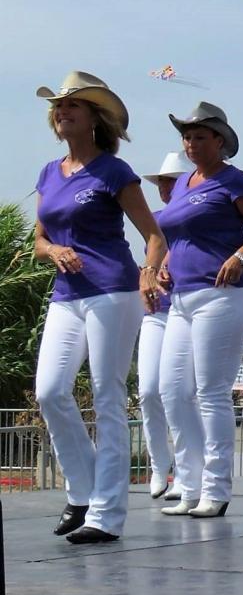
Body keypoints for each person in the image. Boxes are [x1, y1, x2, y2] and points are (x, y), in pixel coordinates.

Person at [33, 71, 167, 543]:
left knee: (108, 396)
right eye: (58, 107)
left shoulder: (114, 171)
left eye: (73, 105)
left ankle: (106, 515)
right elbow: (39, 239)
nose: (62, 111)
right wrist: (53, 252)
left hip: (111, 289)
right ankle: (83, 491)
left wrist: (149, 272)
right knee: (50, 391)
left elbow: (154, 235)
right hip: (66, 294)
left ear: (95, 118)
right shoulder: (50, 172)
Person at [156, 102, 243, 519]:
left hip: (223, 294)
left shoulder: (236, 181)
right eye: (187, 137)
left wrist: (241, 257)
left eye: (200, 136)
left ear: (220, 141)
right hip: (181, 298)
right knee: (172, 392)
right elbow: (177, 238)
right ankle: (187, 485)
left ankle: (216, 487)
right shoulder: (181, 185)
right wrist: (163, 268)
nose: (191, 144)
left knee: (210, 392)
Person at [138, 151, 193, 500]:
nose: (164, 188)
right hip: (157, 311)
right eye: (161, 182)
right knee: (148, 390)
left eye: (171, 181)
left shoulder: (198, 217)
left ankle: (189, 471)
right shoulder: (154, 222)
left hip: (186, 310)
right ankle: (160, 467)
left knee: (184, 393)